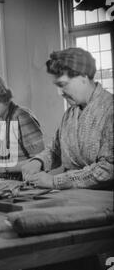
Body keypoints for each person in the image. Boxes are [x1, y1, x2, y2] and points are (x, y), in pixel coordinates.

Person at [22, 47, 113, 190]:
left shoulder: (110, 109)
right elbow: (55, 150)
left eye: (63, 85)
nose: (60, 93)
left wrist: (55, 181)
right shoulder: (70, 113)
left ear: (83, 77)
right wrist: (38, 161)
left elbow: (107, 169)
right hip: (72, 198)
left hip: (104, 201)